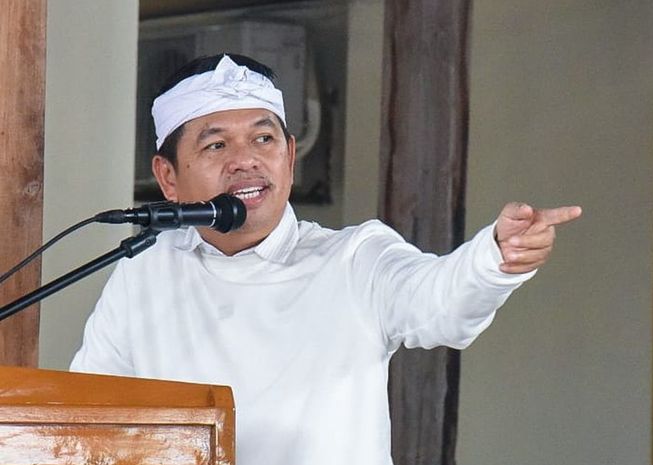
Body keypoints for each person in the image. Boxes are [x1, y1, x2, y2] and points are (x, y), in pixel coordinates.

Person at [71, 53, 581, 465]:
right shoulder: (145, 266)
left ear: (290, 157)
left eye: (264, 138)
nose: (246, 160)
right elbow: (84, 416)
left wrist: (494, 256)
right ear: (168, 178)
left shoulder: (355, 258)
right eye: (216, 145)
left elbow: (439, 301)